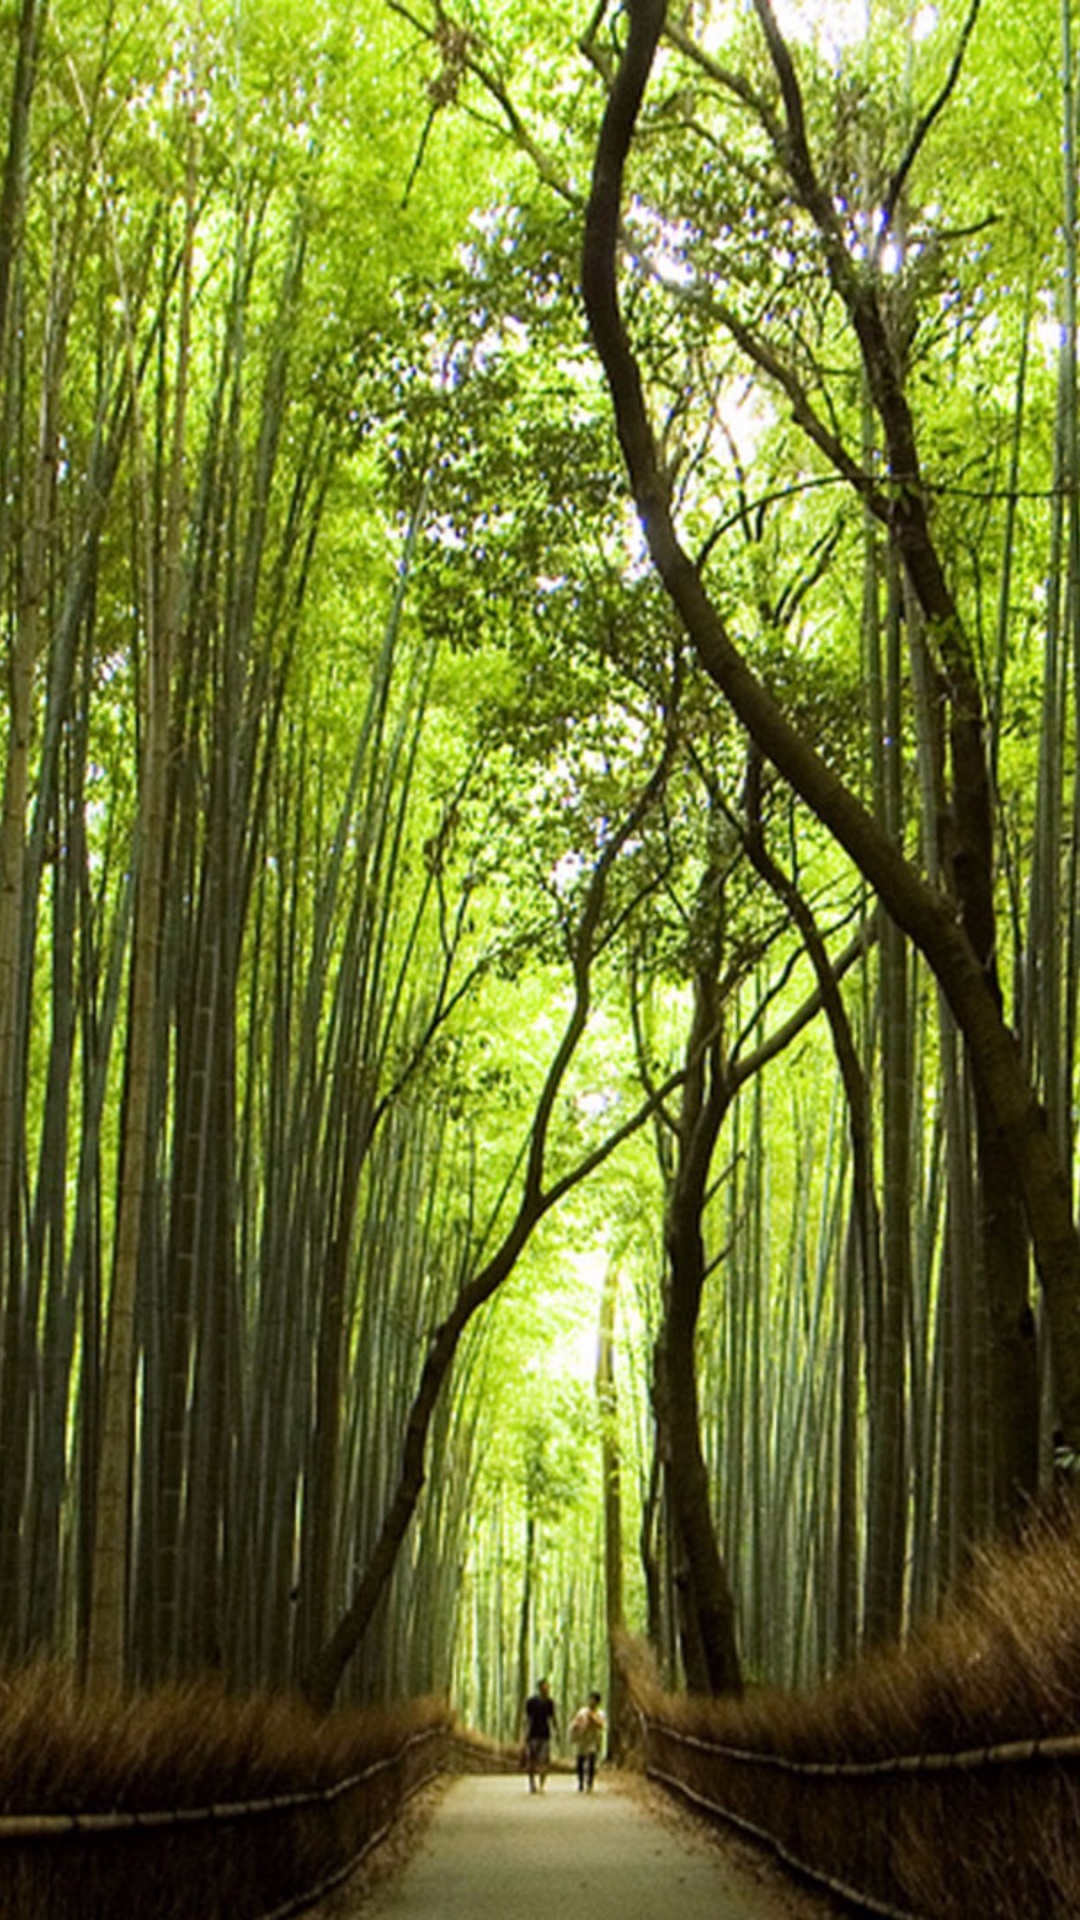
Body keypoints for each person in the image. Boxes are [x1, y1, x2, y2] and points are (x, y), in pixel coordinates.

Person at [523, 1677, 558, 1792]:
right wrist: (525, 1735)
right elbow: (527, 1719)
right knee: (532, 1760)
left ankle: (542, 1784)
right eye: (545, 1686)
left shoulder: (550, 1702)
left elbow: (553, 1718)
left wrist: (557, 1731)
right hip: (533, 1734)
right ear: (539, 1688)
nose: (546, 1688)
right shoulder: (531, 1702)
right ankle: (532, 1783)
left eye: (548, 1686)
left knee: (544, 1760)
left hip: (545, 1735)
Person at [569, 1690, 606, 1792]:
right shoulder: (582, 1711)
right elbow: (575, 1722)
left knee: (591, 1760)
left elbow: (601, 1725)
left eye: (594, 1700)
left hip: (593, 1739)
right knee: (580, 1761)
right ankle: (580, 1782)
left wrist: (592, 1719)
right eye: (590, 1699)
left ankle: (590, 1782)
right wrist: (576, 1728)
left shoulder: (600, 1713)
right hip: (582, 1739)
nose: (591, 1702)